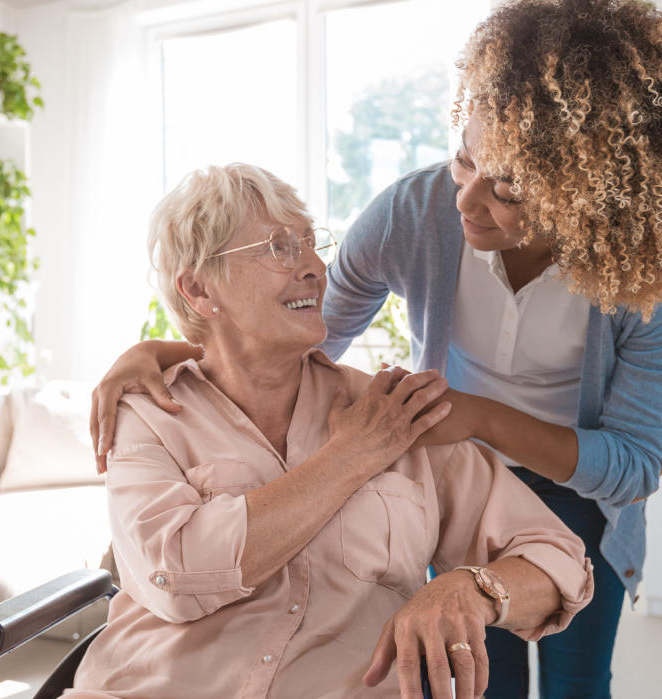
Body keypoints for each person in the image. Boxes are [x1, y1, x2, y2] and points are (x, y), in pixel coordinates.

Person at [89, 1, 662, 696]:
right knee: (479, 681)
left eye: (508, 186)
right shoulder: (417, 212)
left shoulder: (647, 275)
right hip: (449, 446)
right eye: (465, 156)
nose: (467, 200)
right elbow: (303, 332)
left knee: (577, 680)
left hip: (571, 487)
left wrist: (479, 419)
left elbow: (634, 463)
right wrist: (183, 343)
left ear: (582, 198)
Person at [66, 163, 593, 699]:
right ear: (199, 290)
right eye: (278, 247)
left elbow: (560, 560)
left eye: (310, 243)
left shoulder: (394, 412)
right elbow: (179, 575)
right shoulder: (147, 412)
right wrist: (351, 456)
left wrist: (474, 589)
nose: (317, 268)